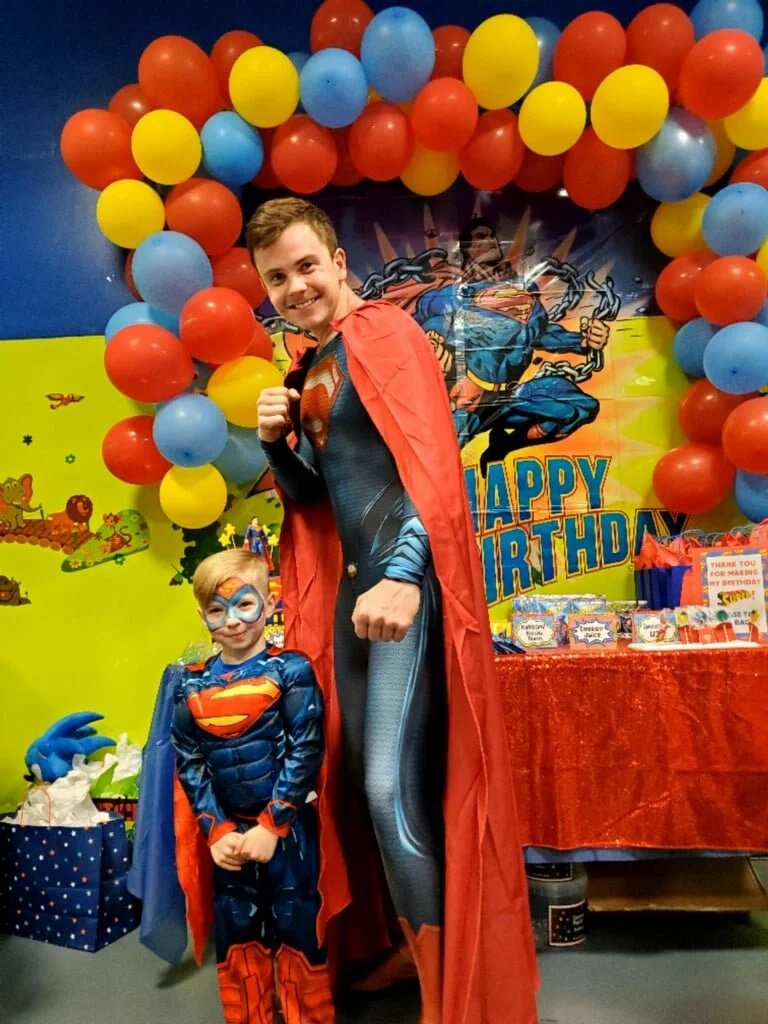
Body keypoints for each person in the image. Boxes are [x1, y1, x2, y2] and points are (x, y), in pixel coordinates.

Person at [249, 197, 538, 1024]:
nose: (296, 285)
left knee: (388, 791)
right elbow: (313, 501)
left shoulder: (386, 336)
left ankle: (451, 998)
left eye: (307, 265)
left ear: (340, 262)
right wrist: (276, 446)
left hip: (401, 599)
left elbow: (429, 469)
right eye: (278, 276)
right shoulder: (313, 366)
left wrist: (407, 574)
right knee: (346, 787)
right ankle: (409, 957)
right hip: (352, 603)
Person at [171, 545, 334, 1024]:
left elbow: (307, 749)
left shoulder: (292, 671)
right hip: (229, 834)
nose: (233, 620)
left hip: (288, 831)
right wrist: (216, 830)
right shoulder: (191, 685)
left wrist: (274, 824)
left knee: (295, 918)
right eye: (218, 610)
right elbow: (191, 762)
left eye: (244, 603)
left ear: (270, 600)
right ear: (203, 616)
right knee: (237, 924)